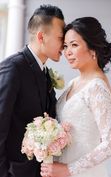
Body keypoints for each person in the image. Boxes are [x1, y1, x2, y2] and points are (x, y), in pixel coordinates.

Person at [40, 17, 111, 177]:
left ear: (93, 49)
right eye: (66, 46)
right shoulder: (74, 82)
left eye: (74, 45)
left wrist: (70, 170)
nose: (67, 52)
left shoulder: (96, 87)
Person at [0, 4, 64, 177]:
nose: (64, 45)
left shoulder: (44, 72)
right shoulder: (13, 68)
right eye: (60, 38)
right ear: (42, 36)